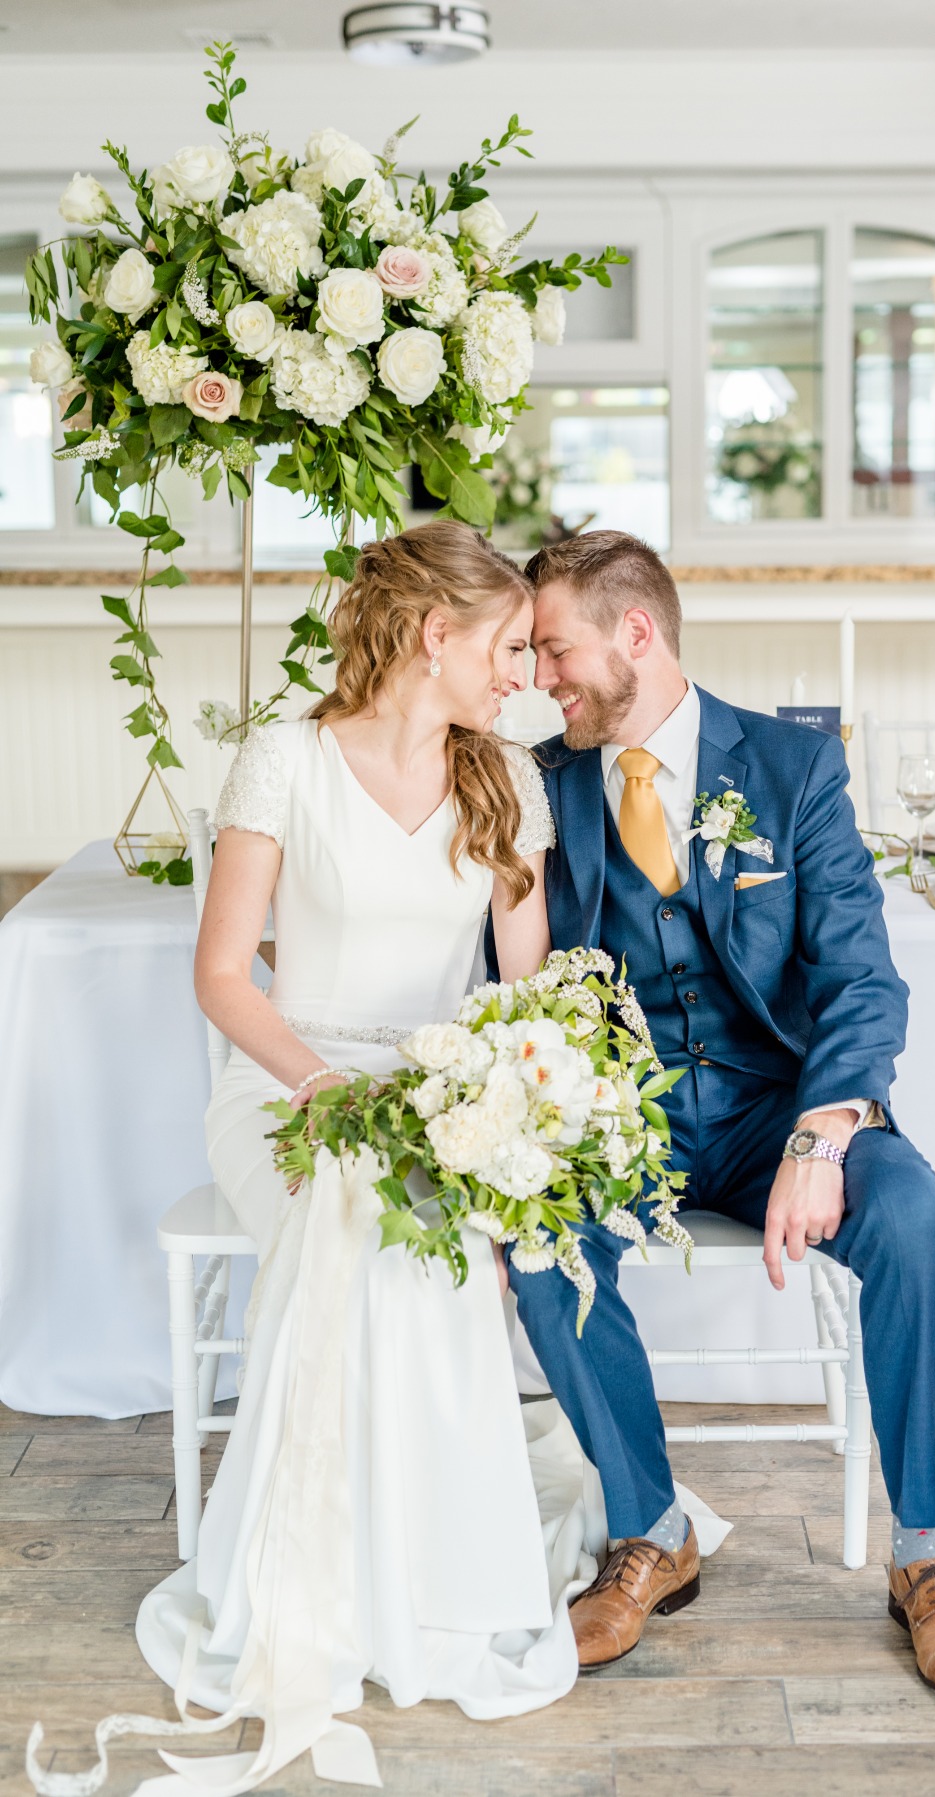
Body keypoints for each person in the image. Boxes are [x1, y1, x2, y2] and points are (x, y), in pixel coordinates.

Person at [28, 522, 727, 1797]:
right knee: (349, 1196)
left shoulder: (504, 777)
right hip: (286, 1082)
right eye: (510, 645)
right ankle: (315, 1578)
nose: (526, 673)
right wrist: (321, 1086)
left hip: (441, 1090)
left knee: (432, 1220)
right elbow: (223, 977)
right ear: (433, 636)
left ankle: (433, 1574)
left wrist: (512, 1097)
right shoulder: (284, 761)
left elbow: (527, 991)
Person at [506, 529, 935, 1701]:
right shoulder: (545, 782)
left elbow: (862, 978)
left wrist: (822, 1136)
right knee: (541, 1240)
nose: (540, 677)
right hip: (621, 1116)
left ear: (637, 633)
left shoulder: (792, 767)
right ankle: (649, 1528)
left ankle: (925, 1554)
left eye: (555, 648)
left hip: (782, 1108)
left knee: (917, 1219)